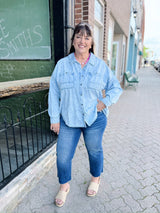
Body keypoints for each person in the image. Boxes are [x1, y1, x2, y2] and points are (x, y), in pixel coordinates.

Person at [48, 22, 122, 207]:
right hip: (68, 119)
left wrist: (104, 102)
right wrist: (54, 119)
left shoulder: (100, 66)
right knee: (63, 156)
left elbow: (116, 88)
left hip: (94, 119)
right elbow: (54, 92)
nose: (82, 40)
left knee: (94, 150)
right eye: (79, 36)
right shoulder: (62, 65)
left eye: (87, 37)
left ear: (91, 43)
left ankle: (95, 179)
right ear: (73, 41)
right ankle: (64, 186)